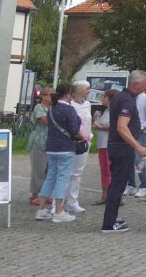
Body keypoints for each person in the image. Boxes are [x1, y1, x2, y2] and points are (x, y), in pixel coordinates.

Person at [101, 70, 146, 234]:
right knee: (118, 185)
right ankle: (108, 224)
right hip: (122, 148)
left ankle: (112, 218)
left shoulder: (120, 97)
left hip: (116, 146)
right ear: (136, 84)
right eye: (145, 83)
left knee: (117, 184)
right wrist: (138, 147)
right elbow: (122, 127)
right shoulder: (127, 101)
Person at [34, 84, 82, 224]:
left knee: (50, 177)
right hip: (66, 148)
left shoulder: (50, 109)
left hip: (51, 147)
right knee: (62, 178)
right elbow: (74, 129)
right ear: (68, 95)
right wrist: (83, 137)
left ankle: (41, 209)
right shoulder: (69, 109)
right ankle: (59, 211)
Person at [64, 80, 92, 214]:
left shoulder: (87, 104)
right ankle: (56, 202)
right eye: (87, 89)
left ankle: (72, 202)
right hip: (71, 141)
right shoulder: (70, 105)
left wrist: (89, 135)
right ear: (80, 90)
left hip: (85, 142)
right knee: (65, 172)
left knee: (77, 173)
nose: (89, 91)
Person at [125, 82, 146, 198]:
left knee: (138, 159)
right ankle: (131, 185)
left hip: (140, 132)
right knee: (128, 158)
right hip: (128, 131)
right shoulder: (130, 98)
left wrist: (142, 127)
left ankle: (144, 186)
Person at [27, 87, 52, 205]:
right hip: (38, 141)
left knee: (47, 169)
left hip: (49, 142)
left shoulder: (52, 108)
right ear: (43, 96)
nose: (52, 97)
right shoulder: (39, 107)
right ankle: (36, 195)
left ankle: (44, 193)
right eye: (49, 95)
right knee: (38, 169)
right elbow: (44, 121)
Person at [92, 90, 114, 204]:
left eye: (104, 97)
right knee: (105, 170)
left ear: (109, 99)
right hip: (102, 144)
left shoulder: (114, 111)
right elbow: (100, 124)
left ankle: (108, 196)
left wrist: (99, 127)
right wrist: (96, 118)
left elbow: (113, 126)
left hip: (107, 145)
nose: (102, 99)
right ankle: (106, 194)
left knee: (108, 170)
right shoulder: (106, 110)